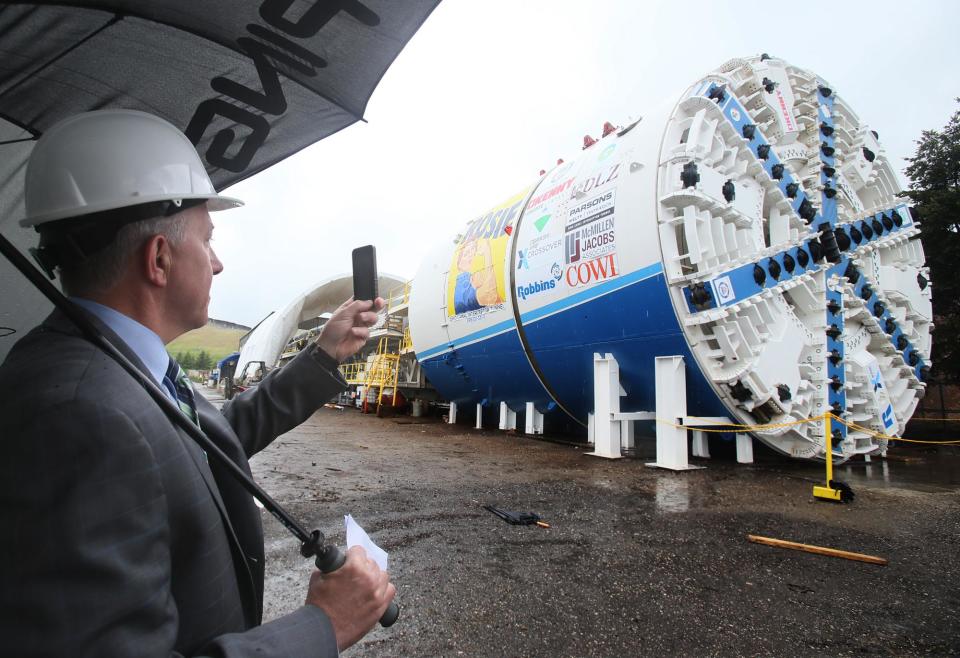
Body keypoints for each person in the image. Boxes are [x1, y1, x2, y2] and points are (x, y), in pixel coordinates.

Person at [0, 110, 393, 656]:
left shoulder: (113, 361)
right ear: (159, 258)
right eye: (207, 240)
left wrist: (323, 354)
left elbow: (200, 448)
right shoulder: (78, 413)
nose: (218, 263)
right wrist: (321, 626)